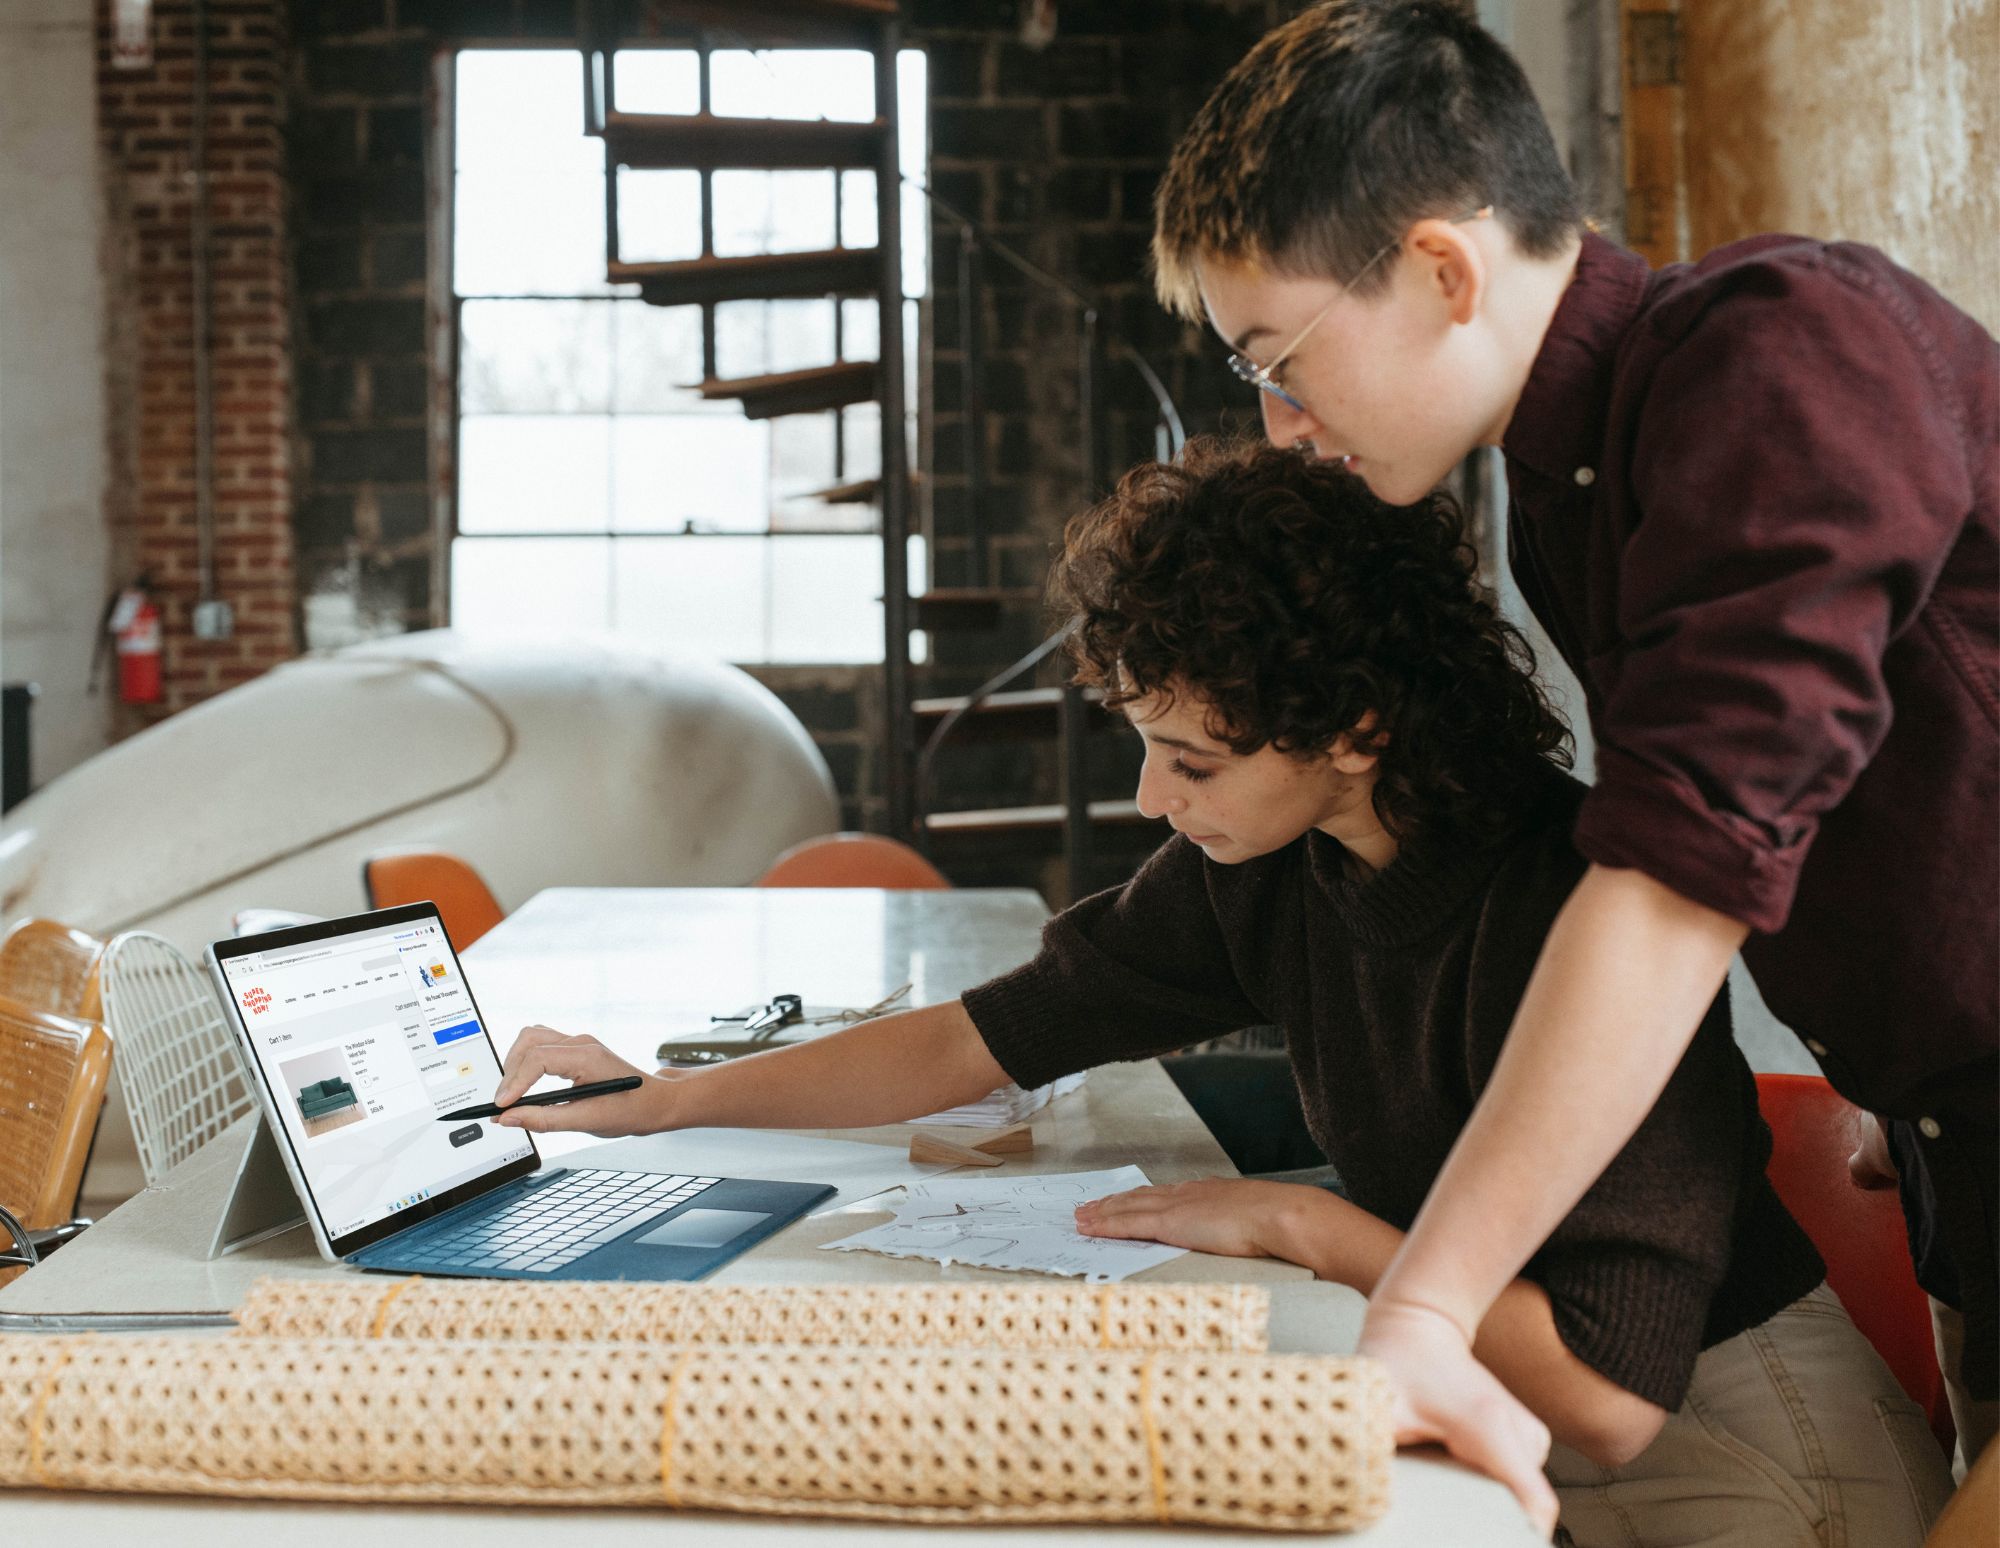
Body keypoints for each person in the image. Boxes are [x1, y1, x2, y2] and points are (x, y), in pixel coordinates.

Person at [493, 438, 1949, 1545]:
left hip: (1741, 1451)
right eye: (1143, 743)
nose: (1147, 797)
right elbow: (980, 1036)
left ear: (1356, 727)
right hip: (1512, 1420)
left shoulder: (1566, 902)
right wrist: (661, 1100)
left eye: (1192, 760)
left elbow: (1611, 1400)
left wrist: (1303, 1225)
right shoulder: (1269, 859)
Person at [1147, 0, 1997, 1526]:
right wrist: (1905, 1054)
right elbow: (1850, 792)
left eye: (1279, 360)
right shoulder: (1567, 487)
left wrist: (1420, 1304)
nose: (1280, 428)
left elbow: (1683, 874)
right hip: (1962, 1159)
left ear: (1439, 269)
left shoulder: (1780, 357)